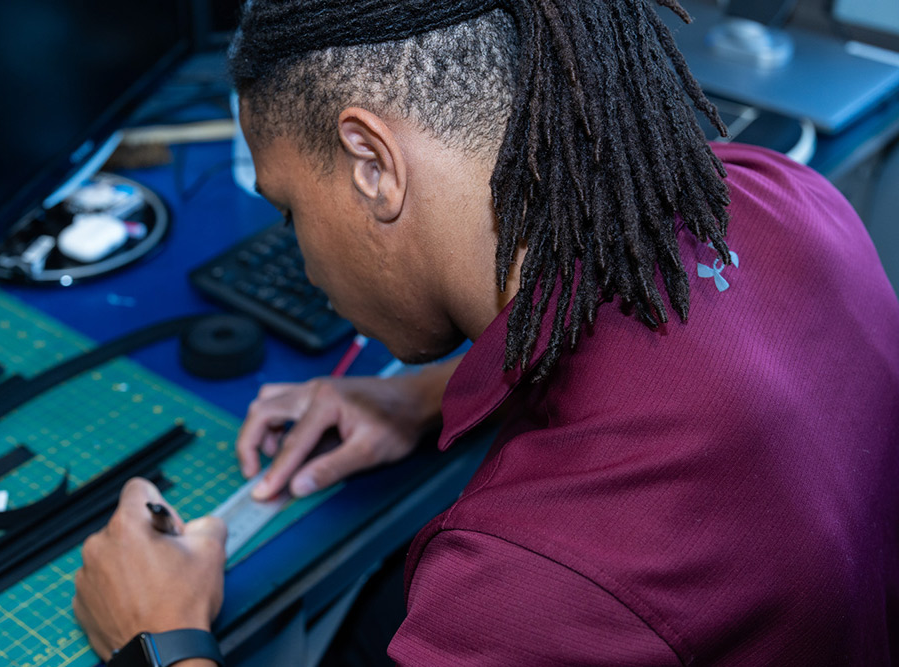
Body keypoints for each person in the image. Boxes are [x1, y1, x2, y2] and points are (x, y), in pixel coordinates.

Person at [73, 1, 899, 665]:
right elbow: (634, 317)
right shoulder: (782, 196)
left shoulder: (533, 583)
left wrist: (161, 637)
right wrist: (420, 397)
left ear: (372, 163)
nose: (306, 259)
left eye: (289, 209)